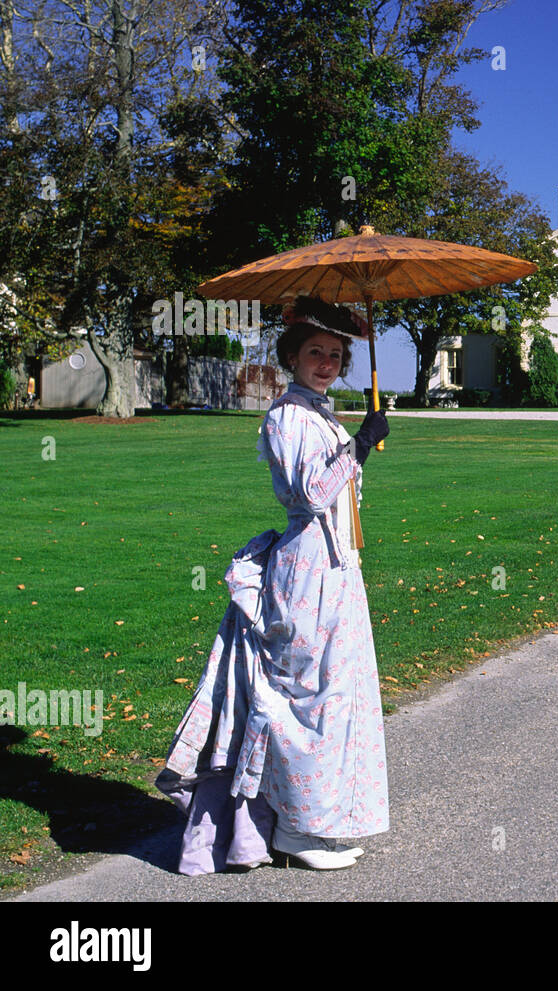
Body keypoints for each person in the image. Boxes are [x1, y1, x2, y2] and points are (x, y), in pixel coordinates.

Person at [157, 295, 391, 873]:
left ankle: (319, 821)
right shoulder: (286, 416)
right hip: (305, 574)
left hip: (339, 569)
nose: (327, 361)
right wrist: (359, 446)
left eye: (336, 353)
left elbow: (338, 491)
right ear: (291, 355)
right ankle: (291, 829)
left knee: (337, 698)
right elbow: (309, 495)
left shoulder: (322, 413)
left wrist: (356, 446)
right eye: (316, 351)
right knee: (306, 700)